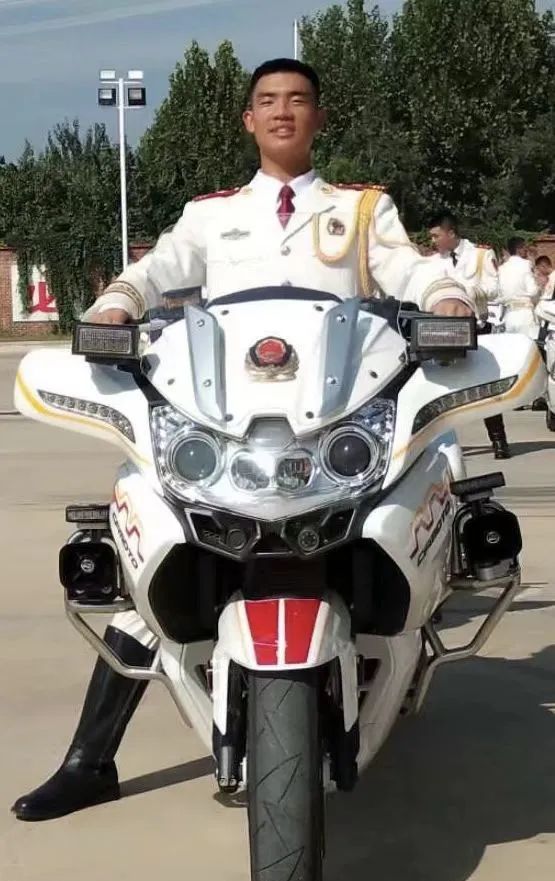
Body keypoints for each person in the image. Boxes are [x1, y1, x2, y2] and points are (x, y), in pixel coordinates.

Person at [13, 58, 476, 823]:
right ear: (249, 120)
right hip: (223, 419)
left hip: (331, 416)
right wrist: (116, 305)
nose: (282, 111)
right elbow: (156, 269)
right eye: (267, 101)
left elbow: (411, 270)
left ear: (318, 117)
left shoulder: (360, 210)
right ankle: (88, 763)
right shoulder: (210, 215)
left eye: (297, 100)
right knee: (147, 569)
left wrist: (447, 296)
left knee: (405, 514)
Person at [427, 210, 510, 460]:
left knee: (485, 384)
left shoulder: (480, 255)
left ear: (451, 233)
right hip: (445, 329)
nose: (433, 241)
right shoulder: (433, 262)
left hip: (477, 326)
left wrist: (464, 292)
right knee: (441, 387)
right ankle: (443, 445)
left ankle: (498, 440)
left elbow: (495, 289)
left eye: (436, 236)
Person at [498, 237, 540, 337]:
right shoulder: (526, 264)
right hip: (524, 313)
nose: (526, 250)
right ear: (519, 249)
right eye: (524, 247)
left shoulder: (501, 268)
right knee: (528, 344)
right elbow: (533, 291)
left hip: (509, 315)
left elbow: (499, 293)